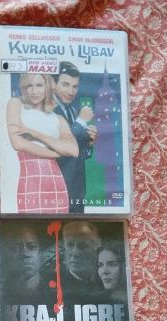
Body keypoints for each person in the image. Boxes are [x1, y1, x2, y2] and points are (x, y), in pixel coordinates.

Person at [6, 73, 78, 213]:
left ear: (47, 87)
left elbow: (74, 150)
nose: (34, 91)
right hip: (30, 180)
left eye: (39, 85)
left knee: (58, 225)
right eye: (29, 86)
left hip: (56, 181)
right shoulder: (15, 104)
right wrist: (56, 153)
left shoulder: (58, 118)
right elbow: (18, 143)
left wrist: (36, 134)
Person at [52, 62, 97, 213]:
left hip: (76, 193)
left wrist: (88, 144)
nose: (71, 91)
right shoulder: (47, 110)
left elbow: (75, 154)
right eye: (65, 85)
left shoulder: (73, 110)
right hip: (56, 190)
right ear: (53, 84)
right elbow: (59, 148)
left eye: (75, 86)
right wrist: (81, 122)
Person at [4, 224, 54, 305]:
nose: (25, 253)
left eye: (31, 247)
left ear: (39, 251)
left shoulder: (55, 293)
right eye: (15, 248)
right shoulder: (2, 293)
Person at [61, 221, 102, 302]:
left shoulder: (105, 278)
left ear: (96, 247)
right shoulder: (55, 284)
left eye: (83, 246)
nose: (75, 253)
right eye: (70, 245)